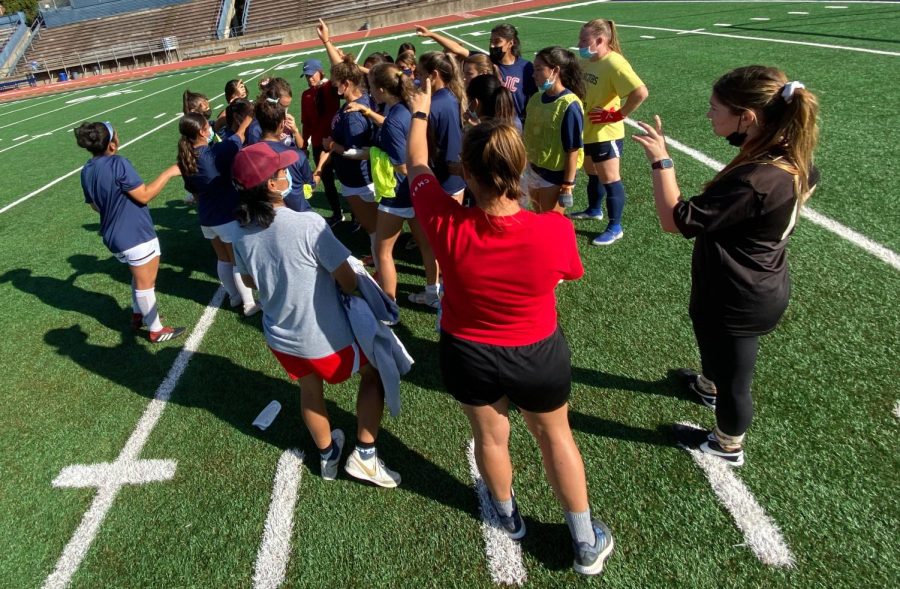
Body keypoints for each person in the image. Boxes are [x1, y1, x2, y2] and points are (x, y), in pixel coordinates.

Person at [406, 81, 614, 575]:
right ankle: (584, 543)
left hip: (467, 351)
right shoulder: (556, 228)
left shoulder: (442, 220)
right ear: (518, 168)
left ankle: (507, 517)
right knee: (556, 438)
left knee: (491, 439)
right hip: (538, 353)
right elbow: (565, 273)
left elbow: (415, 166)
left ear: (467, 173)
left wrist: (418, 114)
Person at [631, 66, 820, 467]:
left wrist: (662, 162)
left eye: (715, 108)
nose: (709, 115)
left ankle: (727, 443)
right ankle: (707, 385)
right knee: (714, 347)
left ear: (748, 117)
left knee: (737, 381)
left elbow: (675, 219)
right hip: (743, 280)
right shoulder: (786, 154)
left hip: (741, 294)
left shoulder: (758, 181)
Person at [230, 142, 401, 487]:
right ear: (271, 186)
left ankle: (328, 454)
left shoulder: (241, 235)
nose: (289, 174)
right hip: (324, 336)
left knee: (310, 392)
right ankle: (365, 455)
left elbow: (248, 279)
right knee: (374, 375)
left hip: (280, 336)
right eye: (282, 172)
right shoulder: (307, 223)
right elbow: (348, 279)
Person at [74, 121, 185, 343]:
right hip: (135, 234)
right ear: (112, 144)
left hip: (113, 235)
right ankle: (155, 330)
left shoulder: (86, 170)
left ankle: (138, 314)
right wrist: (169, 173)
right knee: (146, 283)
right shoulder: (118, 163)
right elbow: (143, 195)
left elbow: (94, 205)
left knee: (138, 275)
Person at [346, 63, 440, 309]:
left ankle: (389, 306)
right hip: (418, 193)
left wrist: (372, 153)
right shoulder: (408, 107)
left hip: (398, 194)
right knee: (426, 244)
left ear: (380, 89)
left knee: (383, 251)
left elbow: (402, 166)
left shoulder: (393, 121)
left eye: (371, 87)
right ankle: (433, 294)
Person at [570, 18, 648, 246]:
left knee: (610, 179)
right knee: (592, 173)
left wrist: (616, 115)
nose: (580, 43)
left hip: (607, 132)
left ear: (600, 40)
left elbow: (640, 92)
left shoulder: (615, 63)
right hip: (588, 130)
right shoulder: (588, 62)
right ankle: (594, 210)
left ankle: (615, 226)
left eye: (584, 40)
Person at [176, 112, 259, 316]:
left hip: (206, 217)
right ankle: (249, 304)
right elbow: (238, 137)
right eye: (208, 126)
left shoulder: (186, 158)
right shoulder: (214, 153)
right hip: (226, 215)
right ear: (203, 131)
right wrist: (248, 117)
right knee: (237, 261)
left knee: (223, 259)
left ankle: (234, 297)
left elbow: (194, 192)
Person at [416, 23, 537, 126]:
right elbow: (457, 49)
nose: (492, 46)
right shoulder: (487, 61)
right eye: (491, 41)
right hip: (493, 123)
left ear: (510, 43)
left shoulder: (526, 68)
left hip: (517, 124)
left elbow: (533, 99)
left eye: (497, 41)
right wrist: (431, 34)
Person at [523, 46, 585, 213]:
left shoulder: (569, 104)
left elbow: (573, 149)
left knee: (551, 222)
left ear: (555, 71)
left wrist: (567, 185)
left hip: (554, 177)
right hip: (533, 169)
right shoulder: (536, 98)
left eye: (538, 69)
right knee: (538, 215)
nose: (533, 74)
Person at [416, 51, 466, 201]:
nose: (417, 79)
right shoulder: (452, 95)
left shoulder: (432, 106)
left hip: (444, 178)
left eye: (420, 74)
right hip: (455, 174)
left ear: (434, 75)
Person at [300, 58, 344, 226]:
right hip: (319, 143)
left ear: (320, 72)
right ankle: (337, 213)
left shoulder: (330, 88)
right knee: (326, 180)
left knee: (344, 177)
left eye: (312, 74)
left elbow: (340, 74)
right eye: (306, 76)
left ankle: (357, 215)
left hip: (336, 141)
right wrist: (304, 144)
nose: (309, 78)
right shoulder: (306, 95)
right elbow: (307, 123)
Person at [255, 99, 314, 213]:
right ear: (282, 124)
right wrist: (321, 165)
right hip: (298, 212)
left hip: (268, 215)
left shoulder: (249, 154)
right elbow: (310, 185)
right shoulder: (297, 155)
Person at [246, 78, 303, 148]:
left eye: (287, 106)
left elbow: (301, 148)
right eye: (283, 107)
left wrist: (295, 131)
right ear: (271, 102)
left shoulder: (285, 120)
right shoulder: (257, 128)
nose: (285, 110)